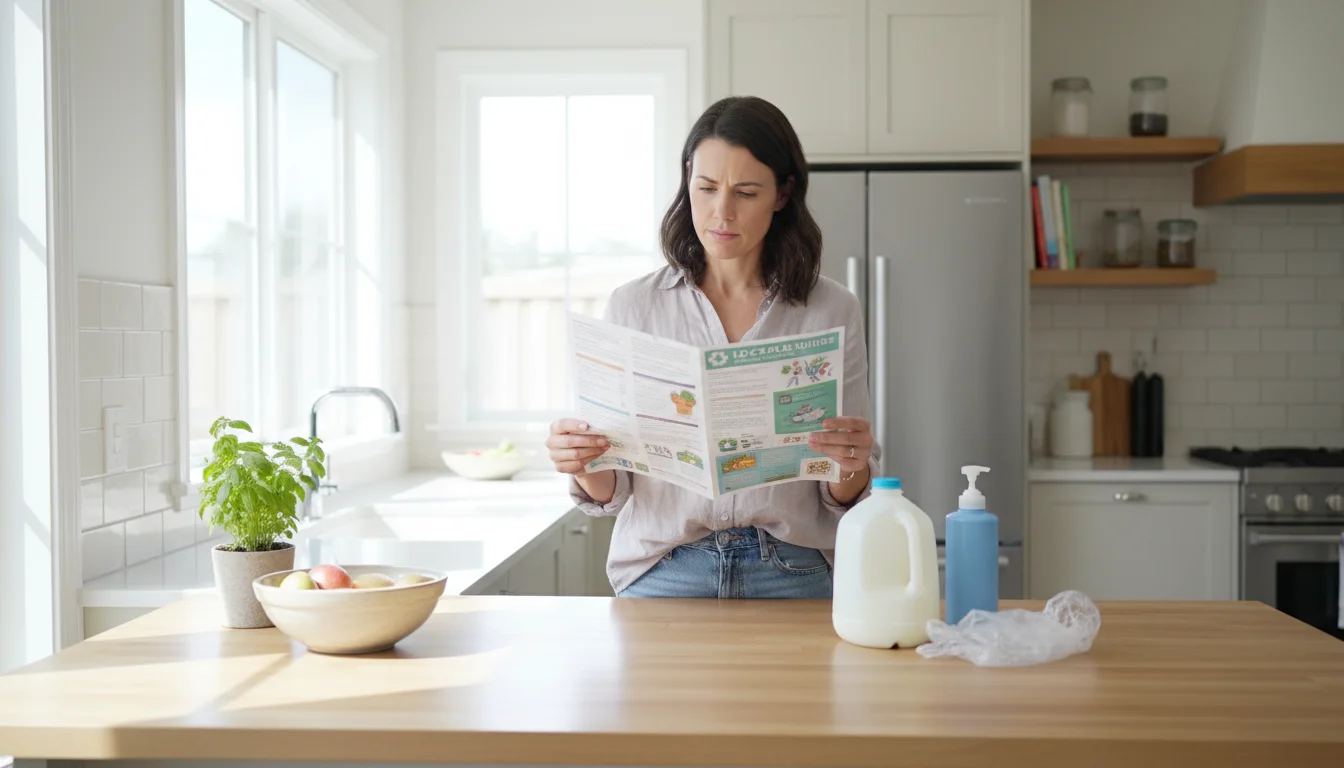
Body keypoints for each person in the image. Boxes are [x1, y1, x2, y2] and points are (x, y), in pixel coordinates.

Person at [546, 95, 879, 599]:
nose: (721, 213)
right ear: (687, 183)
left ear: (782, 195)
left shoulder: (831, 309)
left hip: (794, 570)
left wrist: (851, 463)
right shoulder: (633, 307)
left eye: (746, 192)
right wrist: (583, 461)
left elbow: (843, 497)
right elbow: (612, 494)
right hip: (663, 568)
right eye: (705, 188)